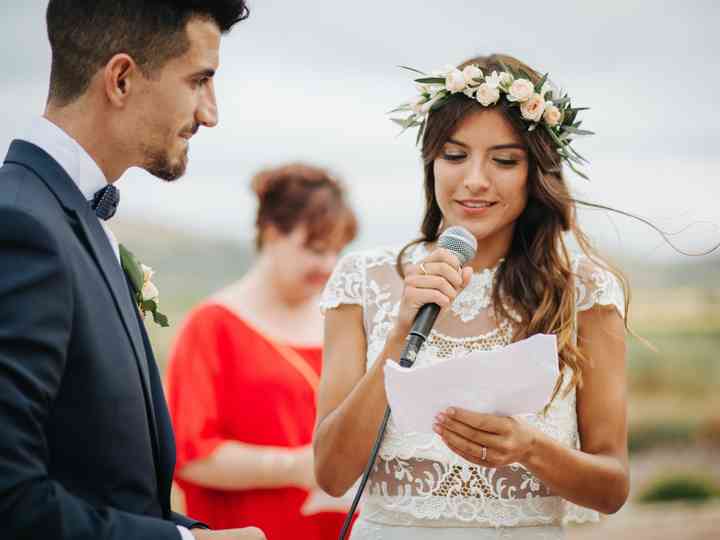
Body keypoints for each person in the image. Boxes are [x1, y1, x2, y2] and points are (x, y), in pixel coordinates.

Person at [314, 54, 630, 539]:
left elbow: (612, 487)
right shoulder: (364, 279)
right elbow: (331, 475)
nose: (475, 179)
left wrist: (529, 449)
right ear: (431, 163)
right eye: (455, 156)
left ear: (536, 172)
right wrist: (401, 331)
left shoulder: (584, 290)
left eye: (504, 160)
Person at [0, 1, 264, 539]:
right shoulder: (21, 228)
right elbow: (10, 499)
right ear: (120, 79)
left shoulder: (69, 215)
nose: (211, 113)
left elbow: (106, 483)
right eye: (199, 81)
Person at [167, 163, 359, 539]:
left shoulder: (343, 321)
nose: (328, 265)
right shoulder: (212, 325)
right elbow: (190, 455)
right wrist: (294, 466)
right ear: (272, 234)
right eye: (315, 249)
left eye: (337, 251)